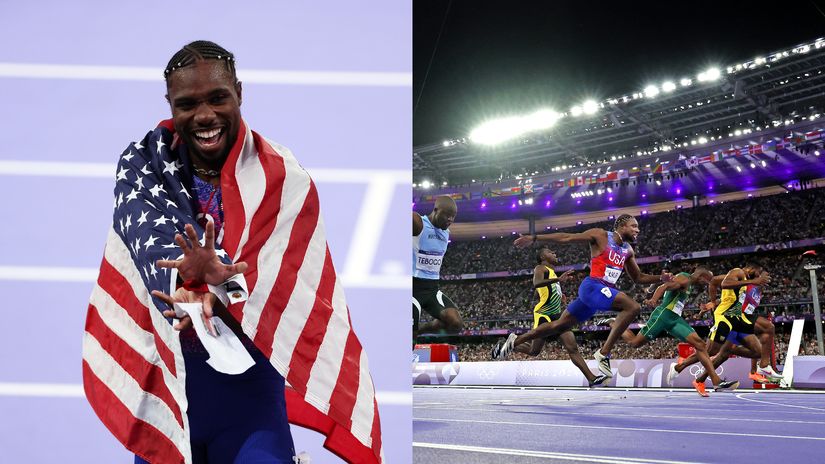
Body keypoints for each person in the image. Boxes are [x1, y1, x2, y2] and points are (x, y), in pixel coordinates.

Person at [82, 41, 382, 464]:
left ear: (240, 92)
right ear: (169, 103)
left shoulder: (284, 178)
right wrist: (186, 279)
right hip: (169, 389)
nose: (204, 116)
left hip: (250, 402)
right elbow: (148, 239)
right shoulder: (141, 167)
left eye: (218, 97)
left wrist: (223, 286)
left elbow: (285, 285)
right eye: (187, 103)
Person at [492, 214, 672, 379]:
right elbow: (566, 237)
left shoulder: (628, 250)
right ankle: (604, 352)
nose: (637, 230)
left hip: (597, 297)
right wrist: (535, 238)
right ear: (622, 226)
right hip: (592, 287)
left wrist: (660, 278)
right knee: (633, 307)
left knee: (557, 326)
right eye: (634, 226)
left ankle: (515, 341)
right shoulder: (601, 235)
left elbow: (638, 277)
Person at [608, 267, 738, 395]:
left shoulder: (688, 283)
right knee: (635, 343)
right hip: (663, 315)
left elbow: (661, 285)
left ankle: (716, 381)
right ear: (701, 277)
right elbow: (663, 287)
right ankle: (614, 323)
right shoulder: (684, 279)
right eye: (708, 281)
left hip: (675, 319)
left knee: (700, 345)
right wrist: (653, 299)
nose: (708, 284)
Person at [508, 247, 610, 386]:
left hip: (557, 314)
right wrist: (558, 280)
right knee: (534, 351)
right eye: (550, 252)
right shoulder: (540, 268)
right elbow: (536, 283)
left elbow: (542, 291)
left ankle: (591, 378)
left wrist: (559, 294)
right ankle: (513, 342)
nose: (554, 253)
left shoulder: (551, 272)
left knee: (572, 348)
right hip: (544, 313)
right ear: (543, 257)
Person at [669, 262, 773, 396]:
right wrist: (713, 303)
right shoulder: (739, 274)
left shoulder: (756, 288)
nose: (762, 278)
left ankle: (697, 378)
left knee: (754, 352)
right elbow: (714, 282)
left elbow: (734, 298)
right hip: (726, 318)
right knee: (712, 351)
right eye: (760, 274)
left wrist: (715, 302)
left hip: (738, 320)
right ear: (752, 270)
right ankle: (681, 368)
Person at [413, 196, 463, 341]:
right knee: (408, 340)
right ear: (435, 210)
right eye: (447, 215)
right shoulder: (419, 224)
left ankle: (421, 330)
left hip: (432, 289)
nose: (450, 220)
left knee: (455, 324)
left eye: (453, 217)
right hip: (412, 288)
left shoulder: (445, 232)